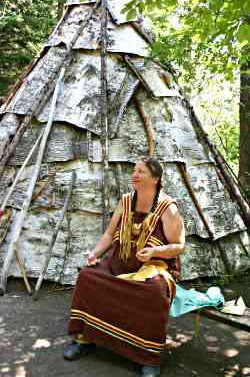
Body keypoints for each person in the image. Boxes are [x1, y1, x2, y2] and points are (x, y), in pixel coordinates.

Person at [63, 157, 185, 377]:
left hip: (152, 267)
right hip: (118, 261)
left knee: (155, 292)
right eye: (134, 171)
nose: (134, 175)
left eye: (141, 172)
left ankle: (149, 356)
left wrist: (155, 251)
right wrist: (94, 254)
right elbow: (110, 234)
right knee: (88, 276)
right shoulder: (126, 201)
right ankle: (85, 338)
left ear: (155, 179)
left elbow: (179, 246)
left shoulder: (168, 208)